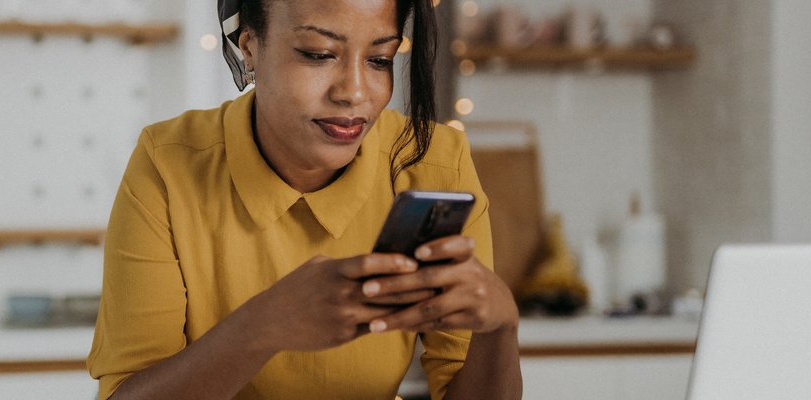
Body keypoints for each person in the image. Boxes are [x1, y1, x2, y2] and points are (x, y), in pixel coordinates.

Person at [87, 0, 522, 398]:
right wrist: (264, 327)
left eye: (379, 59)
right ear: (250, 48)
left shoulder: (431, 162)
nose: (354, 92)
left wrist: (500, 328)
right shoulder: (168, 165)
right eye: (318, 54)